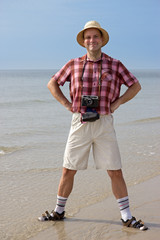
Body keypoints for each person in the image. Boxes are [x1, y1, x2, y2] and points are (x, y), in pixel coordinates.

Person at [38, 20, 148, 230]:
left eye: (95, 36)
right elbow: (52, 83)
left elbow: (136, 85)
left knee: (115, 171)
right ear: (83, 42)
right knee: (68, 170)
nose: (92, 40)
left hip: (105, 122)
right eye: (88, 37)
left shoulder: (115, 64)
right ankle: (59, 212)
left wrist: (118, 102)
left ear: (102, 40)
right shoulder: (73, 64)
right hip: (79, 121)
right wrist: (66, 104)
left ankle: (126, 216)